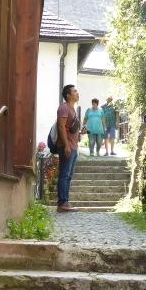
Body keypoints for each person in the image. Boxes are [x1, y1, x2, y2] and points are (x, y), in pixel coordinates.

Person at [55, 84, 81, 212]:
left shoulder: (72, 109)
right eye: (75, 91)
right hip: (67, 146)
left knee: (68, 175)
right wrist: (66, 145)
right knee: (64, 175)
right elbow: (61, 127)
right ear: (68, 95)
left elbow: (69, 129)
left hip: (73, 146)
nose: (77, 93)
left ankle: (65, 202)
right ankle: (62, 203)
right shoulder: (64, 108)